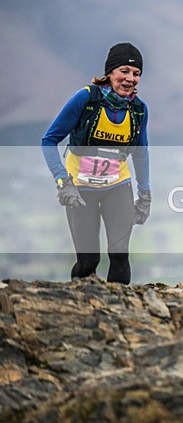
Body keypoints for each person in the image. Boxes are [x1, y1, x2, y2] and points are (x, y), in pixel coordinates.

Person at [41, 42, 152, 285]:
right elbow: (48, 141)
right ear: (110, 72)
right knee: (89, 260)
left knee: (120, 255)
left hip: (117, 186)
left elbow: (141, 152)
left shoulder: (138, 110)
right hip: (80, 189)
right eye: (124, 71)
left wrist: (145, 193)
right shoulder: (86, 99)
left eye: (136, 74)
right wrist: (63, 182)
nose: (130, 78)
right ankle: (78, 308)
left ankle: (120, 312)